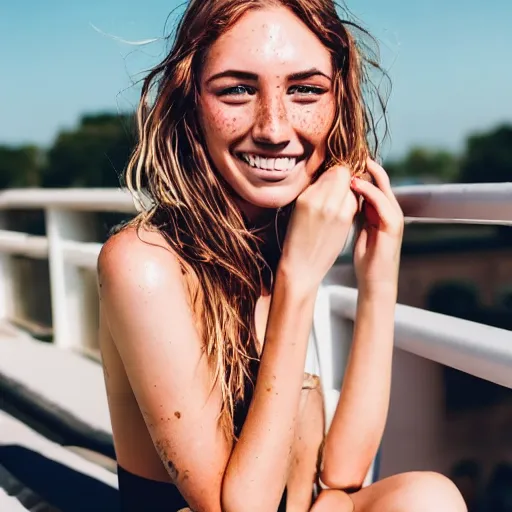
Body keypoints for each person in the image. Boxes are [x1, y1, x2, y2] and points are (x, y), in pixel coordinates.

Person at [97, 0, 467, 510]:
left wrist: (378, 277)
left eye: (305, 90)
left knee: (429, 496)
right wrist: (297, 280)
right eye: (238, 90)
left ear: (339, 102)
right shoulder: (144, 265)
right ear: (189, 104)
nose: (274, 128)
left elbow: (344, 471)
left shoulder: (280, 238)